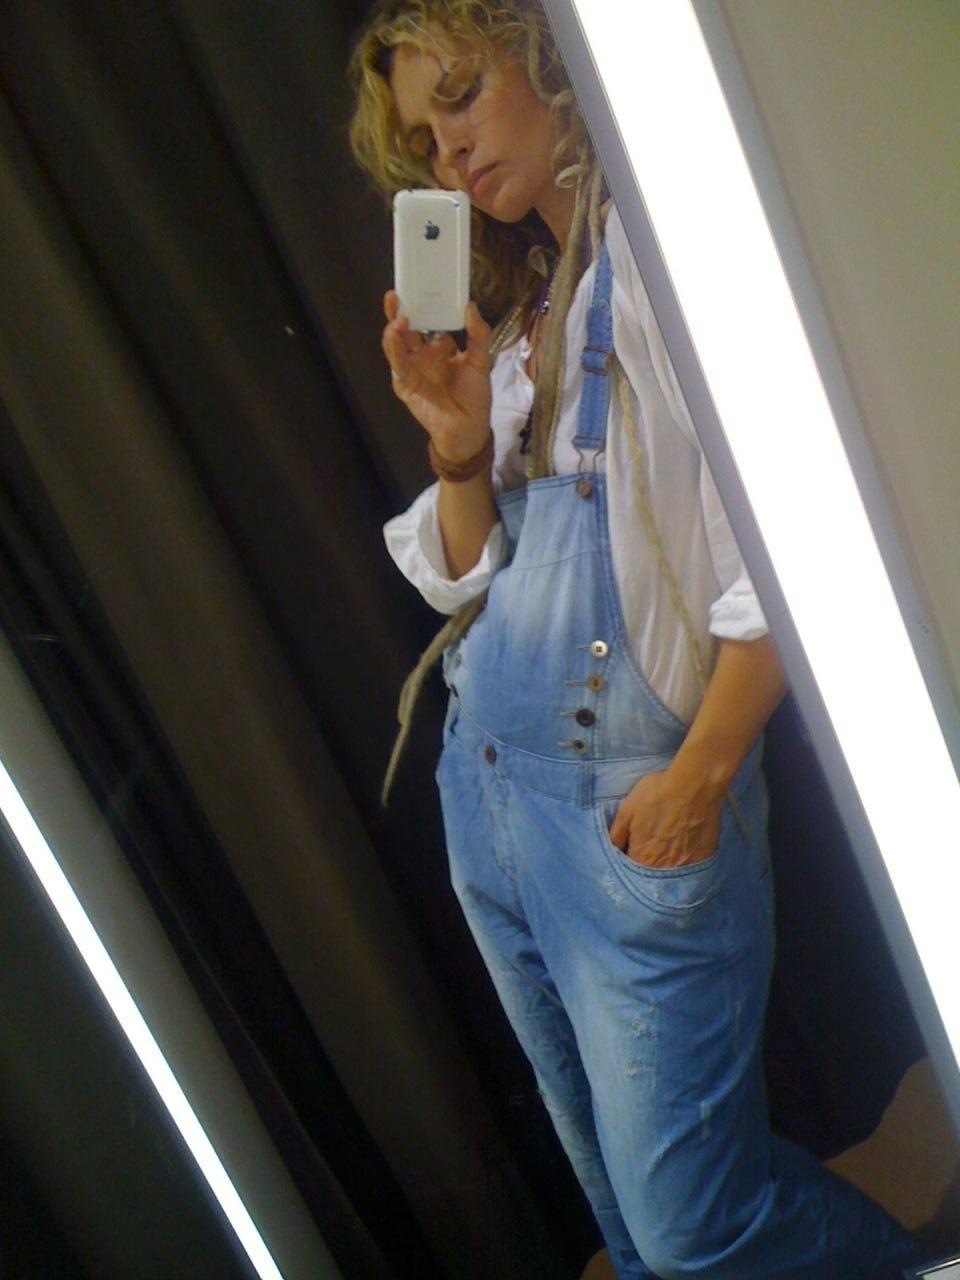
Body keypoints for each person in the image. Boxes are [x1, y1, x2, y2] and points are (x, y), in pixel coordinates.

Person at [349, 3, 923, 1277]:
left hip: (627, 812)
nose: (451, 152)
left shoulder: (664, 268)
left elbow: (785, 546)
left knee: (691, 1221)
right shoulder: (537, 314)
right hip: (494, 807)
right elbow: (461, 579)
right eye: (424, 139)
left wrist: (702, 773)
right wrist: (459, 450)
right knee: (628, 1217)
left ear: (546, 55)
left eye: (462, 95)